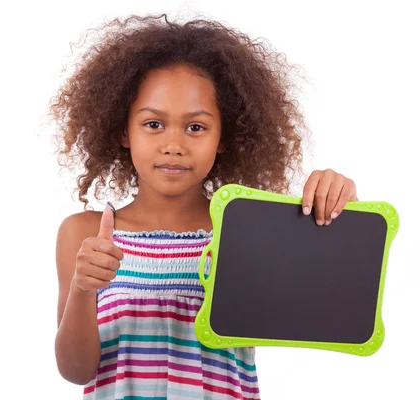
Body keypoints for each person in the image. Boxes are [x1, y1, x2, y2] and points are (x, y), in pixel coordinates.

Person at [49, 13, 359, 400]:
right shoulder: (84, 234)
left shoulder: (247, 230)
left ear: (224, 137)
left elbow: (328, 292)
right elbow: (76, 371)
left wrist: (339, 207)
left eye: (195, 127)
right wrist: (83, 288)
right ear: (122, 130)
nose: (174, 144)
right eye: (153, 124)